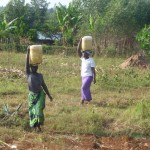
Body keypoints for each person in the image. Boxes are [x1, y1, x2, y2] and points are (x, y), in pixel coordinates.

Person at [25, 46, 53, 132]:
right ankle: (34, 126)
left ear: (37, 67)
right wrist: (28, 51)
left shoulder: (40, 76)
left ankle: (38, 127)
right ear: (30, 67)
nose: (34, 68)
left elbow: (44, 86)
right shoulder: (28, 74)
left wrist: (49, 95)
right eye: (32, 67)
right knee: (32, 112)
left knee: (38, 110)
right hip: (32, 95)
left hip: (40, 94)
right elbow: (26, 63)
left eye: (35, 67)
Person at [77, 37, 96, 105]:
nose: (82, 54)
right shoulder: (83, 59)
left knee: (83, 87)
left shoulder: (91, 60)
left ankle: (87, 99)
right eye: (82, 53)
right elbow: (78, 50)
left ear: (87, 54)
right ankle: (84, 101)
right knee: (86, 88)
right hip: (83, 76)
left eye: (84, 53)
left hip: (89, 76)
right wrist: (80, 41)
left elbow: (93, 70)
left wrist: (94, 78)